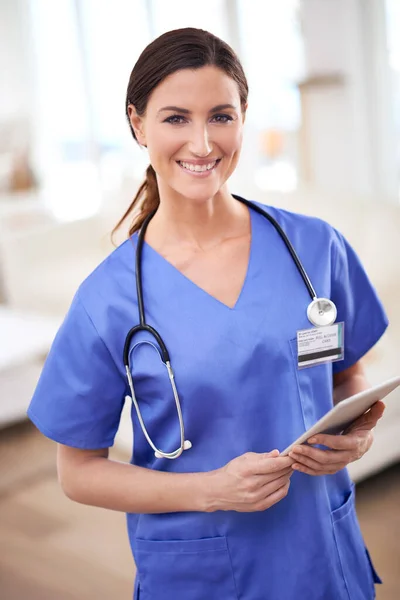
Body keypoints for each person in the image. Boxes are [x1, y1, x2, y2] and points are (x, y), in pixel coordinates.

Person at [27, 27, 388, 600]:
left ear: (244, 117)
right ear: (137, 124)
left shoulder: (315, 248)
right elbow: (77, 472)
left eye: (221, 115)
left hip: (323, 554)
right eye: (175, 118)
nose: (202, 143)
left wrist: (358, 434)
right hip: (203, 572)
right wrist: (211, 490)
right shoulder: (109, 299)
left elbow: (347, 375)